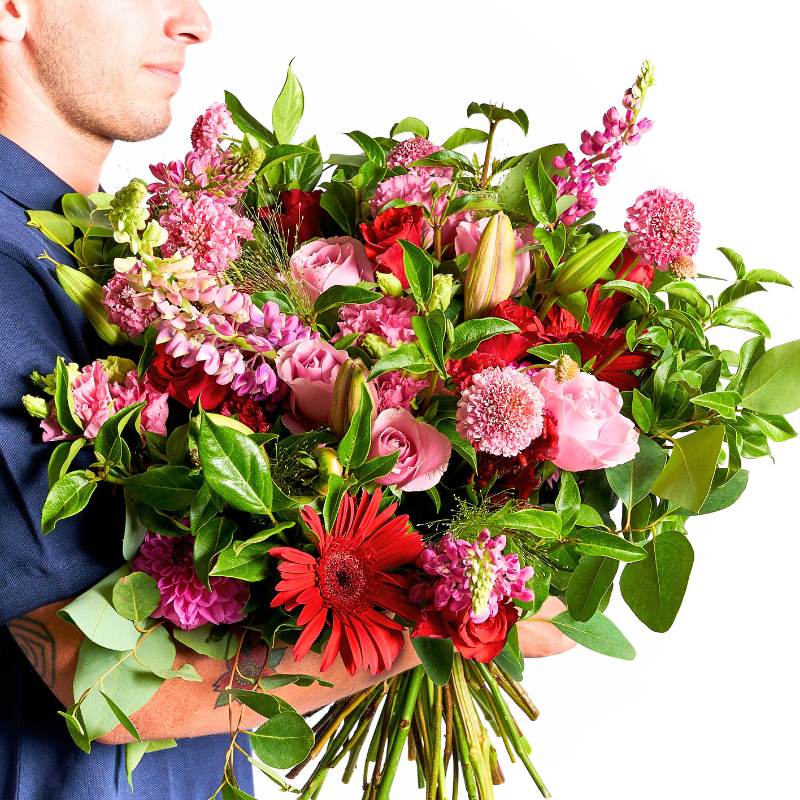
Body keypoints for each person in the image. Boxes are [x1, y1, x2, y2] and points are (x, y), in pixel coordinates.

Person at [0, 2, 575, 798]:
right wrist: (457, 611)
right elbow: (89, 671)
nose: (194, 20)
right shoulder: (5, 280)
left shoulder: (119, 255)